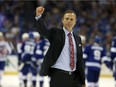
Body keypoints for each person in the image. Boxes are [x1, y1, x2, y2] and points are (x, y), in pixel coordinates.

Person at [35, 6, 85, 87]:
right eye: (67, 18)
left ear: (75, 22)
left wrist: (83, 81)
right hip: (58, 77)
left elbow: (79, 61)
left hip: (75, 78)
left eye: (71, 19)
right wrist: (38, 17)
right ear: (63, 20)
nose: (69, 21)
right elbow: (43, 31)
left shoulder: (78, 38)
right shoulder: (55, 33)